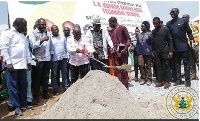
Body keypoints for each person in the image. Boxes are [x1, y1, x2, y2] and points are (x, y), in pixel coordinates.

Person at [0, 18, 32, 116]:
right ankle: (16, 107)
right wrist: (8, 62)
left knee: (24, 85)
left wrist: (29, 61)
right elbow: (4, 48)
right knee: (13, 87)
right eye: (24, 26)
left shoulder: (22, 35)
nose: (25, 28)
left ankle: (23, 104)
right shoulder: (7, 34)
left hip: (22, 65)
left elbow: (25, 50)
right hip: (12, 66)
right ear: (17, 25)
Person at [167, 8, 194, 87]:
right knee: (177, 65)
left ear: (178, 13)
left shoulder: (183, 21)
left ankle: (187, 81)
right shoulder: (169, 24)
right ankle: (178, 80)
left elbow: (189, 31)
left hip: (184, 46)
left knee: (186, 64)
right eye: (170, 12)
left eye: (173, 12)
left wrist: (192, 40)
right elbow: (169, 37)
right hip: (175, 48)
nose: (171, 13)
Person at [29, 18, 53, 102]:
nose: (44, 26)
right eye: (42, 25)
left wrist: (51, 54)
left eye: (44, 25)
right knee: (37, 79)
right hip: (38, 60)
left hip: (47, 58)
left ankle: (45, 93)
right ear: (38, 24)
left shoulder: (47, 33)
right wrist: (41, 40)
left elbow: (50, 45)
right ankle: (36, 96)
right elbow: (32, 46)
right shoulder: (33, 33)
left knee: (46, 77)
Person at [108, 17, 131, 88]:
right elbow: (111, 42)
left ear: (114, 22)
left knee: (124, 69)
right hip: (115, 54)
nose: (109, 25)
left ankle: (125, 85)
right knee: (117, 69)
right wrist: (111, 49)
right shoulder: (111, 31)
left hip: (123, 54)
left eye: (110, 23)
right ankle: (120, 86)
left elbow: (128, 39)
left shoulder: (123, 28)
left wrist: (125, 48)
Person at [152, 17, 174, 89]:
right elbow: (153, 42)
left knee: (167, 66)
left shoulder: (165, 29)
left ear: (159, 22)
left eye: (156, 23)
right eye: (154, 24)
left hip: (165, 51)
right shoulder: (153, 31)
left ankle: (167, 82)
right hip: (157, 52)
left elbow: (170, 40)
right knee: (158, 67)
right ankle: (160, 81)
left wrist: (171, 51)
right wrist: (153, 51)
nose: (155, 25)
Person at [50, 25, 69, 94]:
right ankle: (55, 89)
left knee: (64, 73)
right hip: (54, 58)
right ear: (51, 30)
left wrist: (68, 56)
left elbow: (66, 47)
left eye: (57, 29)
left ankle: (66, 87)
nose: (57, 30)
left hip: (63, 57)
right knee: (54, 74)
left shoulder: (62, 37)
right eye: (55, 29)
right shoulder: (50, 38)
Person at [136, 21, 153, 86]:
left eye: (143, 26)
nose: (141, 27)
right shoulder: (139, 35)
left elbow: (152, 43)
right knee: (141, 65)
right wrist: (137, 51)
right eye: (141, 26)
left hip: (148, 52)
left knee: (148, 66)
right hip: (140, 52)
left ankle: (149, 79)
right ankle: (143, 78)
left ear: (147, 26)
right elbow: (137, 44)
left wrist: (152, 51)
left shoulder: (150, 34)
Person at [182, 14, 198, 80]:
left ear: (187, 18)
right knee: (191, 62)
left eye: (184, 18)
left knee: (198, 60)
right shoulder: (183, 26)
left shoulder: (193, 24)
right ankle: (193, 75)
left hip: (196, 44)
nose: (183, 19)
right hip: (188, 46)